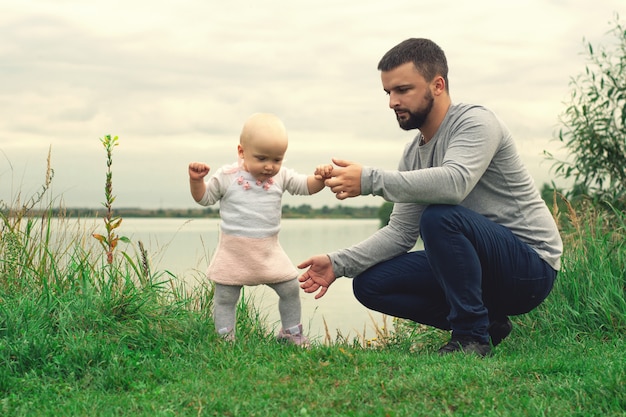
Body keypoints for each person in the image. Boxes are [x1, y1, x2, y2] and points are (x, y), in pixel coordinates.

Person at [298, 38, 563, 356]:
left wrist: (370, 180)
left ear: (437, 85)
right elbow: (400, 234)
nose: (392, 102)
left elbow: (455, 183)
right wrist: (337, 264)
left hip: (530, 268)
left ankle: (471, 339)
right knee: (370, 284)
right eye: (388, 92)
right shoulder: (414, 153)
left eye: (403, 89)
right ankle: (488, 324)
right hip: (480, 270)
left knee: (440, 217)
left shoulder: (476, 123)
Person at [189, 112, 332, 347]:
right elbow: (204, 198)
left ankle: (291, 333)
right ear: (241, 152)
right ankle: (225, 338)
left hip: (268, 251)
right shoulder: (227, 177)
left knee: (289, 288)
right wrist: (196, 181)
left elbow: (305, 187)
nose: (269, 166)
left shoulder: (281, 176)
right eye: (262, 158)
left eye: (277, 159)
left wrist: (320, 178)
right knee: (225, 297)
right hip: (234, 252)